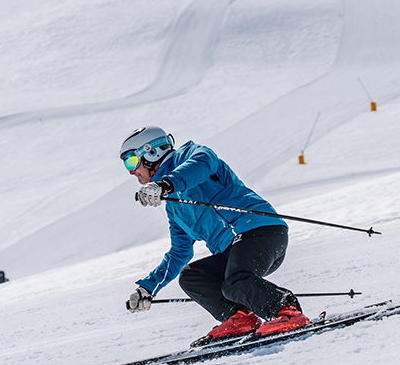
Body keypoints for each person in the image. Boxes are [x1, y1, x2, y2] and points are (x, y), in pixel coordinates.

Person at [120, 126, 310, 344]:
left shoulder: (191, 155)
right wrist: (148, 287)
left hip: (261, 233)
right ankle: (240, 318)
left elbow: (203, 162)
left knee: (236, 282)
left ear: (151, 152)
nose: (130, 171)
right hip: (235, 250)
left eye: (131, 161)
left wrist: (166, 184)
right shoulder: (174, 207)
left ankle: (287, 310)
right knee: (192, 276)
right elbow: (179, 252)